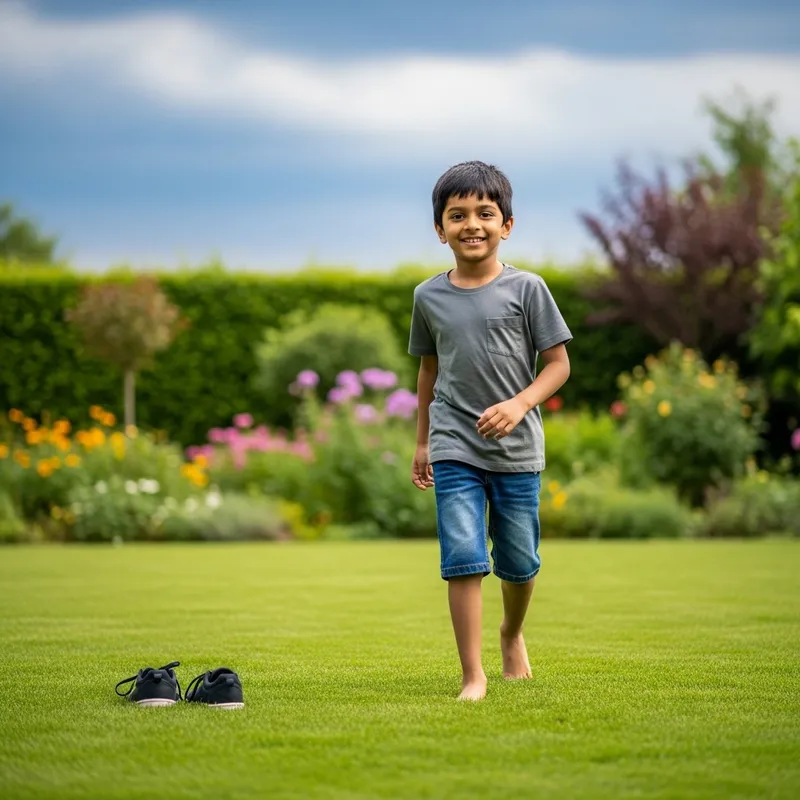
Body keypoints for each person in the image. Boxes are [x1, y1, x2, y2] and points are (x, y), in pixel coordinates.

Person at [408, 161, 572, 701]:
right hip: (455, 441)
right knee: (462, 554)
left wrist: (521, 402)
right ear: (440, 229)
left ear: (507, 225)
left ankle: (512, 633)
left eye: (485, 213)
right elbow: (428, 372)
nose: (471, 224)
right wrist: (422, 440)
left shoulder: (529, 289)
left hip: (517, 448)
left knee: (520, 561)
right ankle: (472, 675)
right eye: (457, 215)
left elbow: (557, 365)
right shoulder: (427, 298)